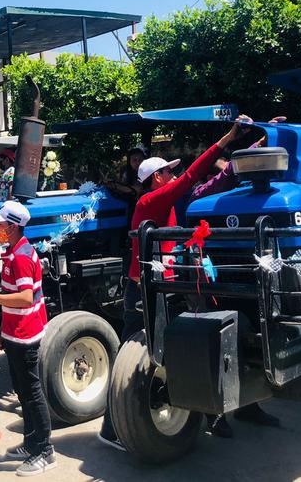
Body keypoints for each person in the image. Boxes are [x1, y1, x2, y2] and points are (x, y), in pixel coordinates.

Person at [98, 115, 259, 450]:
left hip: (145, 287)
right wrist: (228, 137)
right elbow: (192, 175)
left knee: (130, 358)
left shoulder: (159, 204)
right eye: (167, 171)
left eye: (171, 171)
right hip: (151, 291)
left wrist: (256, 144)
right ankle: (206, 412)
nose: (172, 174)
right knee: (177, 348)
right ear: (157, 177)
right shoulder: (151, 200)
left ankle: (112, 428)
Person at [0, 201, 56, 476]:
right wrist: (3, 332)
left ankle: (45, 451)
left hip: (26, 336)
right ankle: (31, 442)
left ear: (12, 227)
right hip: (15, 333)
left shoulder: (21, 257)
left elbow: (25, 298)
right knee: (23, 392)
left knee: (32, 394)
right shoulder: (13, 252)